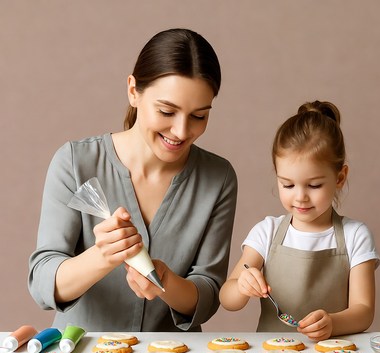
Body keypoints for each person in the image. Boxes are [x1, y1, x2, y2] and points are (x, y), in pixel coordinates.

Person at [29, 28, 237, 332]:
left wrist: (166, 282)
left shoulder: (218, 178)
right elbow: (42, 282)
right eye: (167, 111)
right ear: (133, 91)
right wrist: (102, 256)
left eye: (199, 116)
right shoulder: (74, 163)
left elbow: (208, 294)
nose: (181, 131)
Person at [219, 100, 380, 341]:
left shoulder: (355, 235)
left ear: (340, 178)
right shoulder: (267, 232)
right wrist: (242, 285)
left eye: (314, 185)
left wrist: (332, 323)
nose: (300, 196)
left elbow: (364, 311)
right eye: (288, 184)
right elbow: (227, 299)